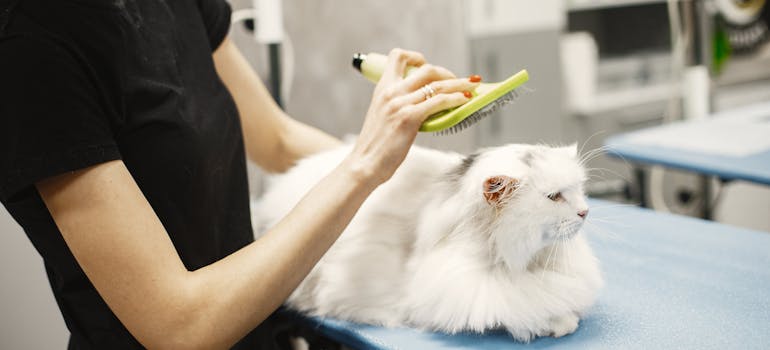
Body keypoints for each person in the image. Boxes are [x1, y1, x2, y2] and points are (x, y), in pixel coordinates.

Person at [0, 0, 479, 348]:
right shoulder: (30, 50)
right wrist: (365, 165)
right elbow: (179, 326)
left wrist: (441, 179)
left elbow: (278, 141)